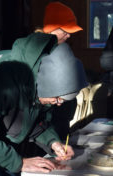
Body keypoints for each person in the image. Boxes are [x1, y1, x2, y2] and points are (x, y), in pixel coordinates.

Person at [0, 32, 88, 176]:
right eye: (57, 98)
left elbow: (35, 121)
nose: (59, 103)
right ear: (45, 85)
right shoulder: (0, 82)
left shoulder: (40, 81)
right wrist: (20, 163)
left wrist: (53, 142)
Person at [35, 1, 83, 139]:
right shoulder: (36, 51)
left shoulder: (62, 48)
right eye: (66, 31)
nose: (69, 35)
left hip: (63, 115)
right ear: (52, 28)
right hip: (44, 120)